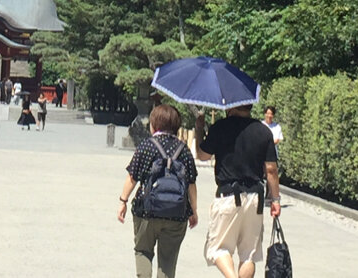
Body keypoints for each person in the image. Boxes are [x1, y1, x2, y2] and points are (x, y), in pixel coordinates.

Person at [195, 105, 281, 278]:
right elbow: (271, 169)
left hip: (228, 194)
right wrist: (276, 199)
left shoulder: (220, 127)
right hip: (255, 196)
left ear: (231, 106)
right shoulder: (263, 131)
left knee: (217, 248)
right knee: (249, 254)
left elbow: (202, 155)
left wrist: (198, 130)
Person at [117, 104, 198, 278]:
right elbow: (191, 183)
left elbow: (132, 177)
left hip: (147, 211)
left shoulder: (147, 146)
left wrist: (123, 201)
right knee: (168, 260)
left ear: (154, 124)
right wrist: (193, 211)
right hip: (177, 214)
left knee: (143, 251)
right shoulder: (184, 150)